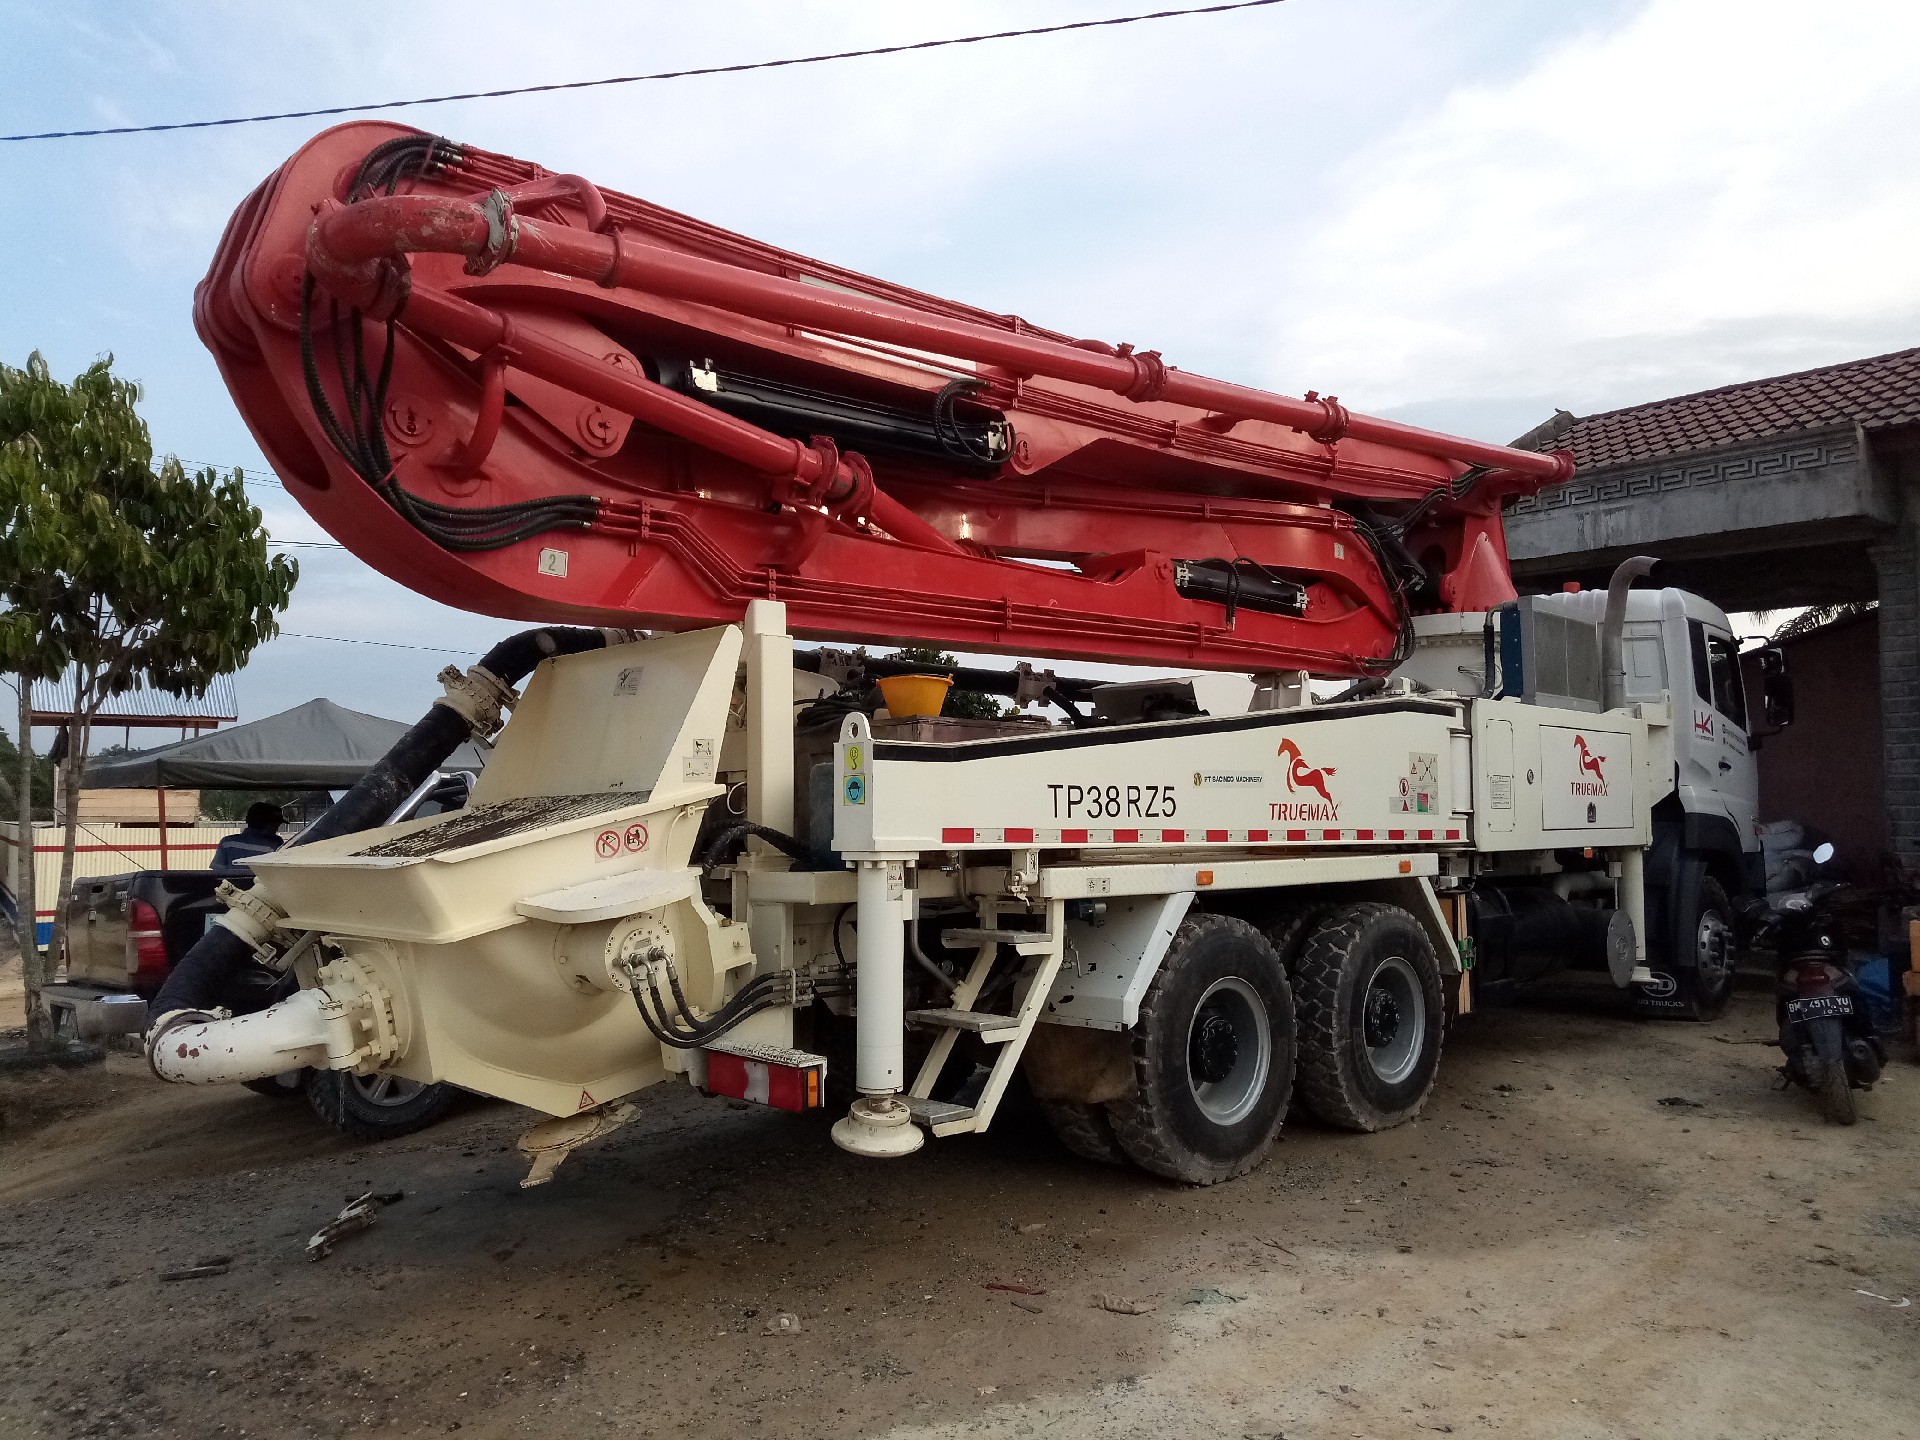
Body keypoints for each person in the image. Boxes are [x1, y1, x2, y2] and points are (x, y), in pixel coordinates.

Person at [212, 802, 286, 869]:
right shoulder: (276, 845)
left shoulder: (227, 843)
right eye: (277, 825)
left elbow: (217, 872)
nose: (277, 829)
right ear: (269, 824)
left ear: (247, 820)